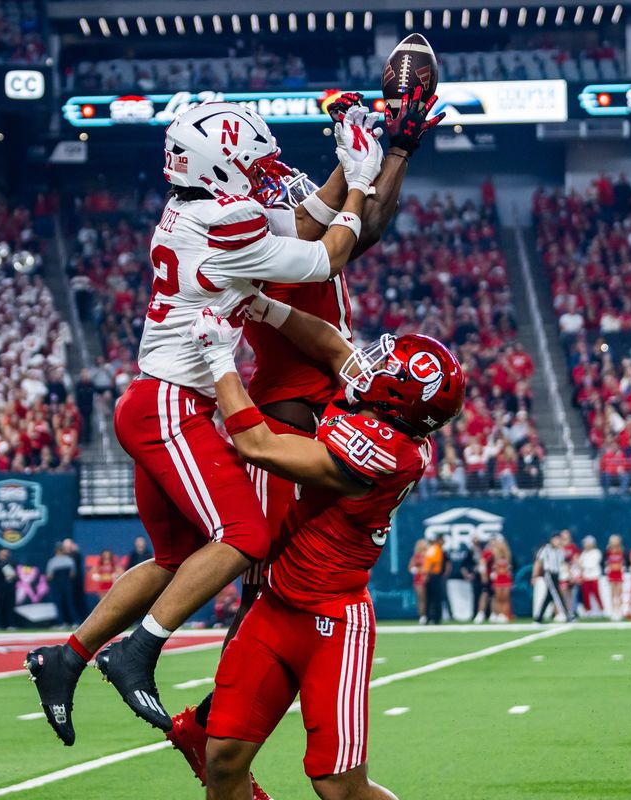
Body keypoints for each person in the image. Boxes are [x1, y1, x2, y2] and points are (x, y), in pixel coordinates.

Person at [27, 99, 386, 735]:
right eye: (250, 162)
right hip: (171, 405)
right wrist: (360, 181)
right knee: (246, 536)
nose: (264, 172)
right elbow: (324, 255)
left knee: (176, 556)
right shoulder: (229, 220)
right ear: (220, 167)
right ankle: (138, 651)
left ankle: (67, 656)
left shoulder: (196, 210)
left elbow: (298, 231)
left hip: (152, 398)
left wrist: (343, 171)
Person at [181, 297, 465, 800]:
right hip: (275, 605)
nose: (373, 364)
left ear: (396, 397)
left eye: (388, 368)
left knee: (338, 787)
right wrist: (264, 307)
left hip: (332, 621)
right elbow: (332, 344)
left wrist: (219, 358)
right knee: (222, 758)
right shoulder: (391, 412)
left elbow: (259, 446)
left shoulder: (383, 454)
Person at [533, 533, 570, 623]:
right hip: (549, 574)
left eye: (558, 540)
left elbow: (563, 563)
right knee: (557, 593)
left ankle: (539, 617)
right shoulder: (545, 549)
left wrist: (569, 574)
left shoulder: (560, 551)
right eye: (555, 539)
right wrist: (534, 575)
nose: (557, 542)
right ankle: (567, 615)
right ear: (551, 540)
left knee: (549, 596)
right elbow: (538, 562)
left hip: (556, 574)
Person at [46, 543, 78, 627]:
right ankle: (73, 622)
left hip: (58, 585)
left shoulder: (52, 561)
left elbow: (50, 576)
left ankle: (63, 622)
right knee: (69, 603)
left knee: (60, 603)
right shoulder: (69, 560)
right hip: (67, 584)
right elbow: (73, 574)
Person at [578, 536, 604, 618]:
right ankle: (588, 610)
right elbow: (579, 564)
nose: (585, 545)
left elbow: (592, 564)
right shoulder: (583, 553)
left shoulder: (597, 552)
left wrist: (583, 565)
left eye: (587, 543)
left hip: (594, 577)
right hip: (586, 577)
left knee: (596, 594)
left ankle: (601, 610)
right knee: (586, 595)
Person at [489, 538, 514, 622]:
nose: (501, 546)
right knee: (498, 598)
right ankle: (498, 614)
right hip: (498, 579)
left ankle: (505, 614)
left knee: (505, 598)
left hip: (506, 579)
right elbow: (489, 566)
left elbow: (513, 567)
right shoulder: (493, 555)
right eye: (499, 544)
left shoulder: (508, 555)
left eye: (502, 544)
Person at [0, 549, 17, 629]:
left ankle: (10, 624)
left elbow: (15, 577)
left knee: (9, 607)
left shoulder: (12, 564)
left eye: (6, 555)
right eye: (2, 554)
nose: (4, 556)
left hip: (9, 590)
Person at [604, 535, 627, 621]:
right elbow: (606, 562)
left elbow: (624, 562)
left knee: (619, 593)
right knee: (612, 593)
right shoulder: (608, 551)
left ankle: (619, 611)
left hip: (619, 573)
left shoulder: (621, 551)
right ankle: (613, 611)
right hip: (612, 574)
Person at [407, 540, 428, 624]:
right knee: (421, 598)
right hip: (419, 580)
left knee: (429, 599)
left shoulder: (428, 555)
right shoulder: (416, 556)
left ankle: (429, 615)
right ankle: (422, 616)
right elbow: (410, 568)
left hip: (428, 579)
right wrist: (418, 570)